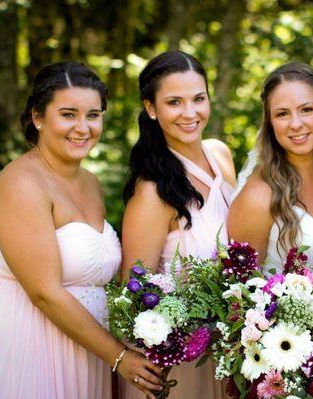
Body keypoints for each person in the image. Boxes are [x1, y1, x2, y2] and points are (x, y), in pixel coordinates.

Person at [0, 62, 163, 399]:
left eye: (93, 115)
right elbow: (44, 292)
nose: (83, 127)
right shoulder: (21, 184)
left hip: (87, 347)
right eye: (68, 114)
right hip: (27, 343)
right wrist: (119, 356)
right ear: (38, 117)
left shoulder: (90, 183)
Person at [120, 51, 235, 399]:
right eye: (174, 102)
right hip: (180, 362)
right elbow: (133, 293)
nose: (190, 113)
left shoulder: (221, 156)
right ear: (151, 108)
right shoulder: (153, 192)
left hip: (233, 350)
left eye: (198, 99)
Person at [228, 63, 313, 274]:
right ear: (270, 123)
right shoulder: (257, 198)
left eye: (306, 110)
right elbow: (238, 293)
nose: (295, 124)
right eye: (282, 114)